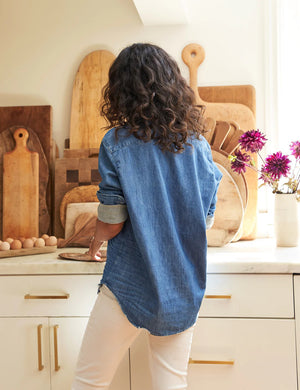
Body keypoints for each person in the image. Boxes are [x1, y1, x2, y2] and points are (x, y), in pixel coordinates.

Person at [72, 43, 222, 390]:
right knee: (170, 384)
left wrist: (94, 243)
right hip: (181, 284)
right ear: (172, 84)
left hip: (128, 282)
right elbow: (207, 219)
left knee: (88, 381)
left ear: (121, 91)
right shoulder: (198, 145)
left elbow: (112, 222)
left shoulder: (116, 142)